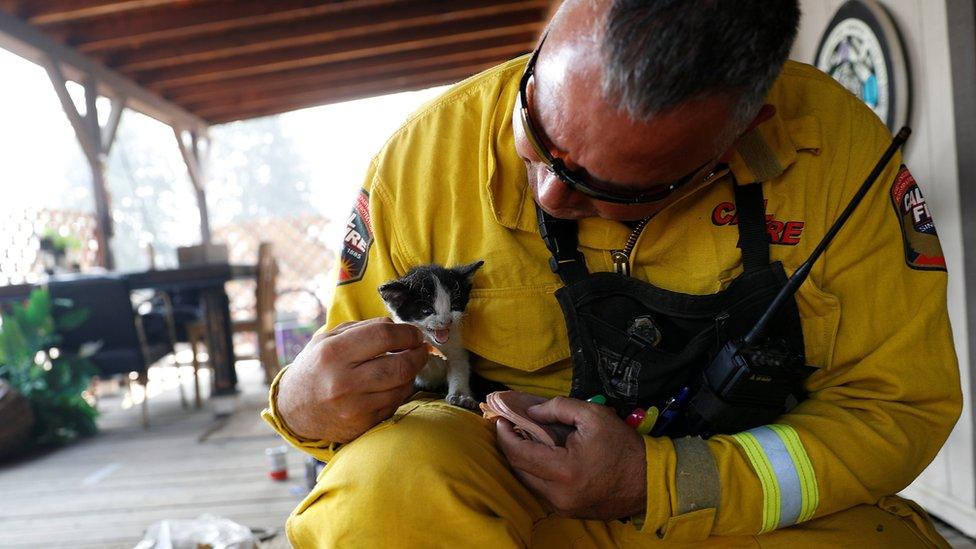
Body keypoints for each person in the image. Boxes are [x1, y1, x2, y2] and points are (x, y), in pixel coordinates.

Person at [263, 1, 962, 546]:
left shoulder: (837, 157)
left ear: (742, 134)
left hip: (738, 515)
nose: (548, 196)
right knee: (383, 490)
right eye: (535, 132)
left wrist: (662, 481)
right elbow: (349, 385)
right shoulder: (426, 159)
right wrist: (301, 405)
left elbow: (894, 406)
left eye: (614, 189)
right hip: (500, 517)